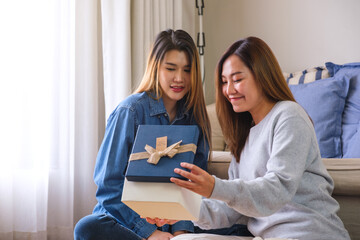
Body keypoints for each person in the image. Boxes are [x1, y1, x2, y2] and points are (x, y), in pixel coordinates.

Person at [149, 36, 351, 240]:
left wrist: (214, 187)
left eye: (237, 79)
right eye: (224, 82)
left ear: (262, 76)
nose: (229, 90)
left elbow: (277, 189)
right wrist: (180, 210)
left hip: (308, 234)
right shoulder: (244, 135)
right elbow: (231, 211)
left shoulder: (289, 115)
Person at [73, 29, 212, 240]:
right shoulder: (130, 111)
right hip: (127, 223)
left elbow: (194, 188)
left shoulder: (196, 118)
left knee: (240, 225)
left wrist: (181, 232)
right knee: (87, 227)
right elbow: (109, 189)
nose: (179, 78)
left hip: (174, 226)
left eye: (187, 70)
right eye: (171, 68)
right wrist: (149, 232)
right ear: (156, 68)